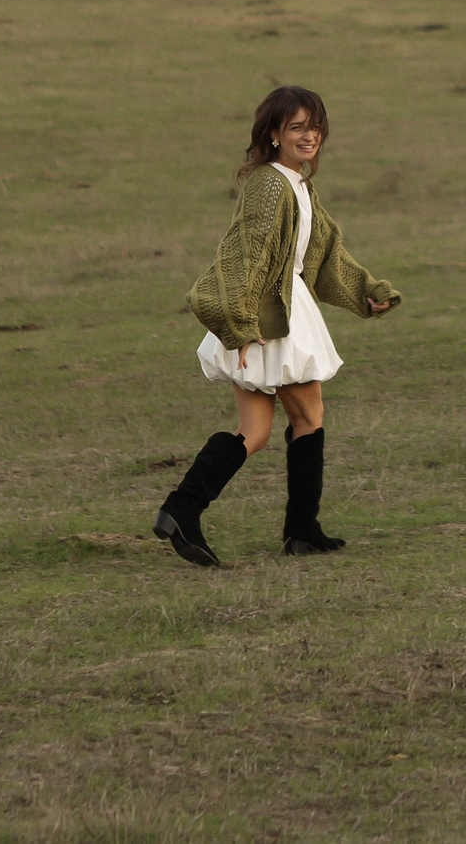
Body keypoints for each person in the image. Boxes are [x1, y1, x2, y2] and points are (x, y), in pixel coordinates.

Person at [152, 85, 400, 568]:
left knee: (255, 432)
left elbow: (324, 253)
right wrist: (239, 323)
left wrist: (368, 290)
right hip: (269, 319)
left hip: (272, 314)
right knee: (308, 417)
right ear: (273, 133)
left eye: (315, 126)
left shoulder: (298, 183)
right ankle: (301, 530)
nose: (310, 136)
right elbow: (246, 254)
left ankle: (181, 509)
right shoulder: (270, 185)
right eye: (297, 127)